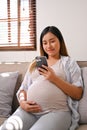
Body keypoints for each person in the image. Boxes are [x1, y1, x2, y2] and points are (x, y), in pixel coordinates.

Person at [0, 26, 83, 130]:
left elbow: (78, 93)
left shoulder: (68, 63)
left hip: (56, 112)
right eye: (45, 43)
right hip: (29, 112)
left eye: (52, 41)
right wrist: (22, 103)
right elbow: (23, 89)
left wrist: (54, 78)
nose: (49, 46)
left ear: (60, 41)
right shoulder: (35, 64)